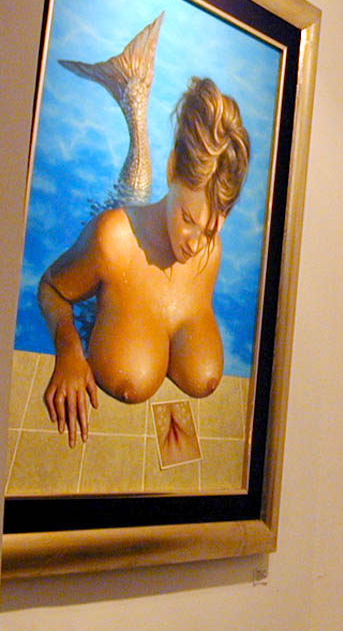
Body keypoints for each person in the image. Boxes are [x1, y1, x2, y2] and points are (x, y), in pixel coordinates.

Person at [38, 76, 250, 447]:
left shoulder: (211, 253)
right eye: (188, 219)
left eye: (211, 229)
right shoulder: (112, 240)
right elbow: (51, 288)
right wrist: (69, 349)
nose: (195, 244)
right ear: (171, 169)